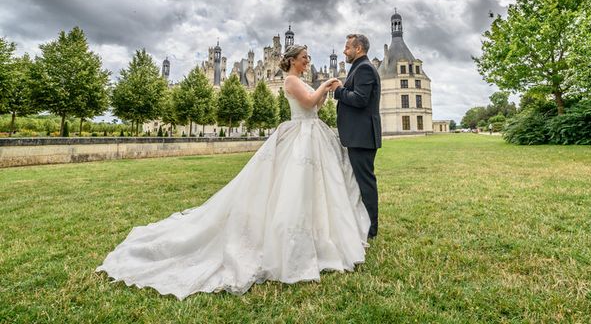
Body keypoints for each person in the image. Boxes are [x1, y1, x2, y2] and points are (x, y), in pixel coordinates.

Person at [96, 44, 370, 299]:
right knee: (292, 186)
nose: (308, 61)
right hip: (300, 133)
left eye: (309, 57)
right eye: (304, 57)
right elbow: (309, 103)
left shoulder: (302, 81)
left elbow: (316, 105)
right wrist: (326, 85)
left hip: (311, 133)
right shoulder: (290, 80)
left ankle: (316, 234)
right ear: (292, 61)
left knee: (312, 187)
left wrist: (322, 90)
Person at [328, 34, 381, 240]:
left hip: (362, 136)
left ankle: (371, 228)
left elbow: (360, 99)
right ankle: (363, 222)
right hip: (359, 135)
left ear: (358, 48)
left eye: (347, 47)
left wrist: (338, 90)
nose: (344, 51)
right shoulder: (359, 68)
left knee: (365, 182)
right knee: (360, 181)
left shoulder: (365, 68)